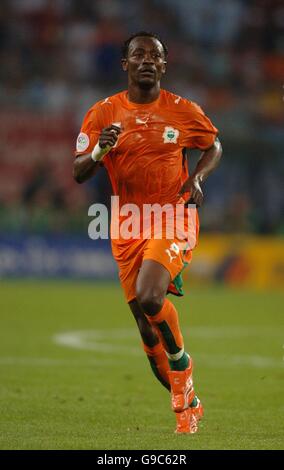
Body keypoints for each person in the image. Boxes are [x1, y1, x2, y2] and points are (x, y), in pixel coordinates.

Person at [73, 31, 222, 434]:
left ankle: (182, 366)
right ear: (125, 64)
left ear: (163, 64)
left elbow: (214, 145)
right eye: (137, 55)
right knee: (144, 324)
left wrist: (199, 177)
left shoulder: (183, 110)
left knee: (150, 295)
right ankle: (187, 398)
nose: (145, 61)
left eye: (153, 56)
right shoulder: (103, 113)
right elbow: (78, 173)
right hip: (126, 223)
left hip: (172, 215)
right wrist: (100, 151)